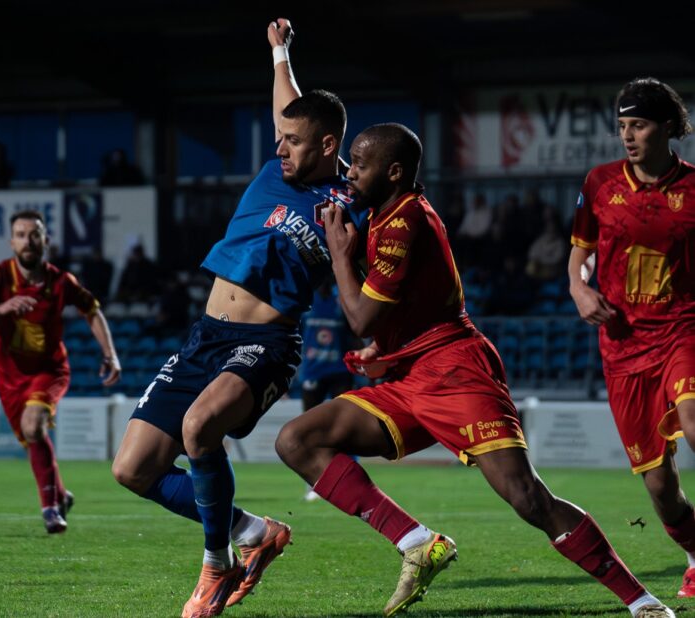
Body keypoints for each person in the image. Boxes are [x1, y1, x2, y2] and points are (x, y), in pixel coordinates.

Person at [275, 123, 675, 618]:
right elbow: (398, 309)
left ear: (394, 171)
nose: (351, 173)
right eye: (351, 162)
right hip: (410, 376)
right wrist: (387, 346)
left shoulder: (404, 222)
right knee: (298, 440)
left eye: (360, 163)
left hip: (456, 371)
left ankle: (641, 600)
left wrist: (340, 256)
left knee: (527, 498)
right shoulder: (383, 213)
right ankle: (418, 541)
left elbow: (358, 319)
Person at [110, 18, 367, 618]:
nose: (280, 147)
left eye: (292, 141)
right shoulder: (280, 166)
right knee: (132, 469)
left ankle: (215, 568)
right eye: (279, 138)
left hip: (266, 341)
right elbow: (289, 106)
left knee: (201, 428)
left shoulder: (352, 205)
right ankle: (255, 532)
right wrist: (281, 53)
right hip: (206, 336)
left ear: (327, 146)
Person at [568, 76, 695, 600]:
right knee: (661, 489)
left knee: (694, 420)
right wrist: (579, 292)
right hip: (622, 348)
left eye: (638, 125)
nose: (628, 135)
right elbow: (580, 256)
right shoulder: (599, 183)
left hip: (683, 329)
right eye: (622, 126)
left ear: (667, 127)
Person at [0, 210, 120, 534]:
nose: (28, 240)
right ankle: (62, 494)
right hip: (9, 376)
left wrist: (110, 354)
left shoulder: (61, 281)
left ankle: (50, 509)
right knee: (33, 437)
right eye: (21, 234)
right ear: (11, 241)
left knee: (32, 425)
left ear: (46, 240)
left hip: (49, 371)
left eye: (34, 234)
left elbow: (93, 311)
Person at [298, 275, 357, 501]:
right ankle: (313, 482)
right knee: (307, 427)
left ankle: (350, 477)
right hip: (312, 371)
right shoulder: (306, 302)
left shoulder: (341, 301)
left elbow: (353, 335)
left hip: (339, 371)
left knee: (346, 425)